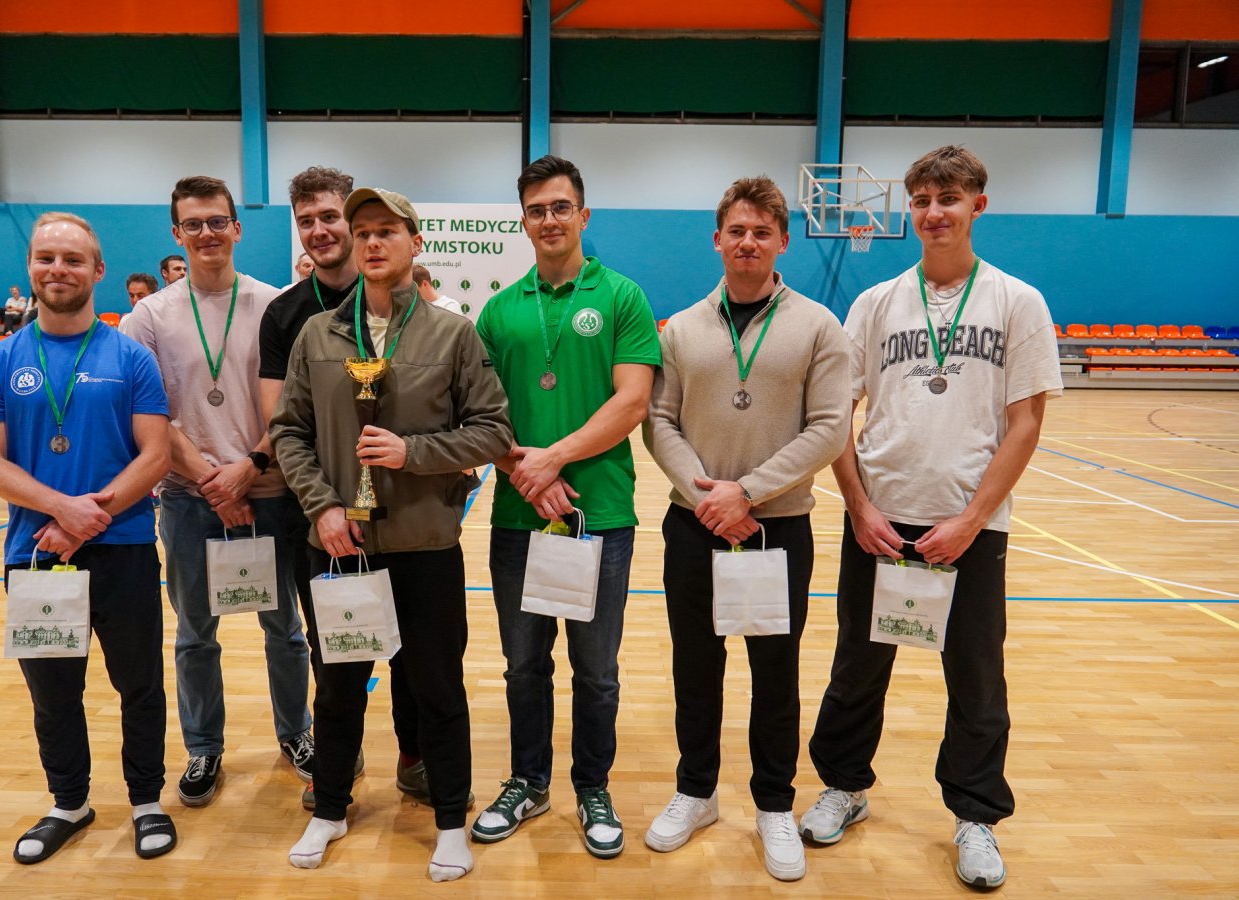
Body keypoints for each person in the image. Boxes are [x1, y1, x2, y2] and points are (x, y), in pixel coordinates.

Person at [802, 146, 1063, 890]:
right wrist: (859, 508)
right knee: (857, 668)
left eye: (948, 198)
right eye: (920, 200)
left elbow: (1026, 423)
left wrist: (972, 520)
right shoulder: (875, 303)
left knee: (976, 678)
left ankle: (976, 817)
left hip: (970, 528)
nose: (933, 212)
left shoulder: (1017, 302)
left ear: (979, 203)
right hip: (881, 523)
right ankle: (844, 786)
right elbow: (835, 417)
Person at [271, 186, 512, 881]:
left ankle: (450, 822)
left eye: (387, 231)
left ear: (415, 242)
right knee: (338, 688)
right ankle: (330, 810)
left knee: (437, 687)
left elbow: (494, 431)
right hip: (338, 546)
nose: (373, 242)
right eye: (363, 232)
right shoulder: (318, 336)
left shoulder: (453, 335)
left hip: (424, 546)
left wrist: (415, 453)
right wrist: (321, 507)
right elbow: (289, 431)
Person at [642, 176, 850, 881]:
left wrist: (749, 493)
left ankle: (773, 805)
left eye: (762, 232)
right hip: (694, 524)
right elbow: (658, 420)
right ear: (717, 240)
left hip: (776, 529)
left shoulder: (819, 326)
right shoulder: (681, 328)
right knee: (695, 669)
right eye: (737, 230)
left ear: (783, 241)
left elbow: (830, 428)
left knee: (775, 674)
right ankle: (696, 792)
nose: (748, 242)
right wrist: (704, 494)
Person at [0, 212, 176, 864]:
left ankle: (146, 801)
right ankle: (69, 803)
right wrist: (62, 511)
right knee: (53, 692)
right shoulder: (0, 360)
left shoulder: (131, 356)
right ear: (31, 266)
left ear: (97, 270)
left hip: (124, 549)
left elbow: (155, 455)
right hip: (36, 555)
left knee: (139, 684)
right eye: (46, 258)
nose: (58, 270)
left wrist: (89, 518)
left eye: (72, 259)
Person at [472, 155, 661, 858]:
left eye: (560, 207)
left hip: (598, 516)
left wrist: (551, 458)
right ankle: (528, 781)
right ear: (523, 221)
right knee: (524, 666)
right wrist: (525, 471)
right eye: (536, 210)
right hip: (519, 518)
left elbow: (632, 401)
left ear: (583, 214)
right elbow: (480, 413)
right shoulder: (499, 310)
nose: (549, 220)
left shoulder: (621, 297)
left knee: (596, 669)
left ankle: (592, 787)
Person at [120, 175, 314, 808]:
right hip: (188, 497)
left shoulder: (276, 304)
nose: (206, 233)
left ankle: (297, 733)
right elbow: (149, 414)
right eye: (193, 224)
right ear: (177, 233)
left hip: (270, 489)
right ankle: (203, 747)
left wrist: (247, 472)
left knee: (285, 628)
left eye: (216, 221)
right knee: (194, 633)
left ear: (237, 227)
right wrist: (212, 480)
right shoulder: (148, 316)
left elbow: (295, 405)